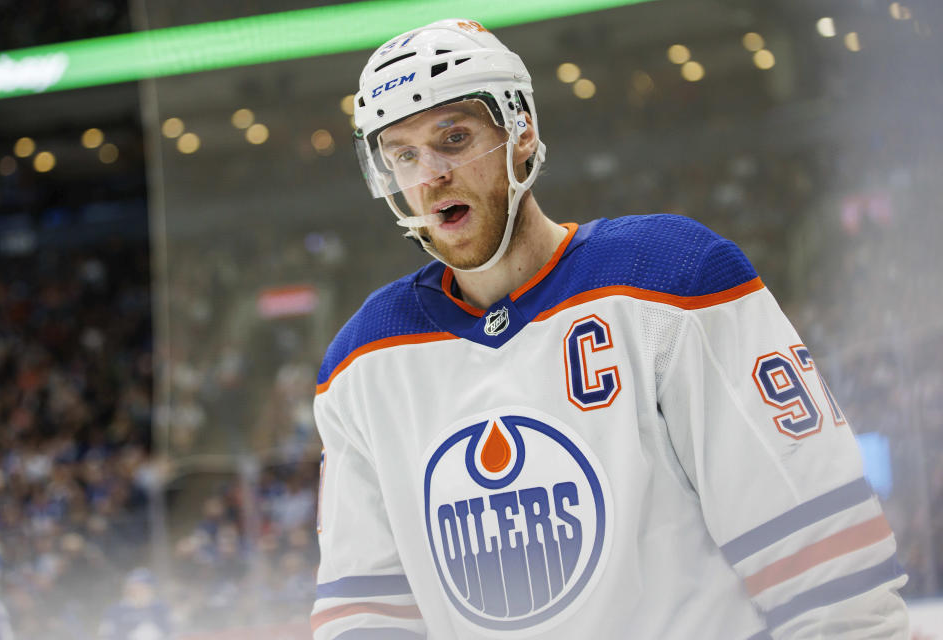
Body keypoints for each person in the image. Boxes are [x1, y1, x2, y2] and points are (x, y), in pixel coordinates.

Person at [310, 18, 909, 639]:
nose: (430, 175)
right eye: (403, 155)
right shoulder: (363, 360)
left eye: (454, 138)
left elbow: (830, 572)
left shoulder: (672, 278)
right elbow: (367, 618)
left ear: (521, 132)